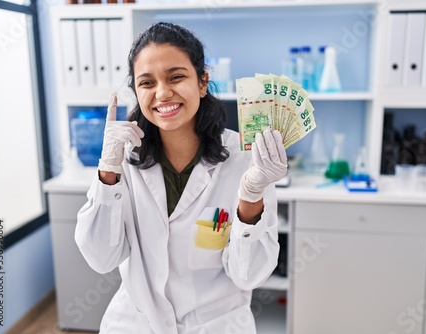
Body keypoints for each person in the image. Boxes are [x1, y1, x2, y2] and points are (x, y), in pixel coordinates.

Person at [75, 22, 287, 334]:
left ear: (202, 82)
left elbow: (249, 275)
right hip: (137, 323)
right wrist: (108, 171)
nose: (163, 93)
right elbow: (102, 258)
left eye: (176, 77)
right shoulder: (124, 158)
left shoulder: (244, 159)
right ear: (136, 91)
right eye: (147, 83)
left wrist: (251, 197)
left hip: (216, 324)